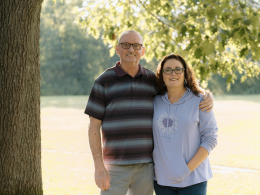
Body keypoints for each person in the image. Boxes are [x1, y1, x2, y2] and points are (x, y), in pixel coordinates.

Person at [84, 30, 213, 195]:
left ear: (142, 51)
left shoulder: (153, 80)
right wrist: (99, 167)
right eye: (125, 45)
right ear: (117, 49)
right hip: (114, 167)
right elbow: (93, 127)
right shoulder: (103, 81)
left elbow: (178, 84)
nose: (131, 49)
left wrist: (204, 93)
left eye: (136, 46)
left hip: (146, 167)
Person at [152, 54, 218, 195]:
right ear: (161, 74)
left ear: (185, 73)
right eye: (168, 70)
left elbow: (210, 138)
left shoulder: (200, 100)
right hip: (162, 181)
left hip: (193, 180)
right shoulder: (154, 101)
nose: (173, 73)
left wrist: (186, 169)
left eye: (178, 69)